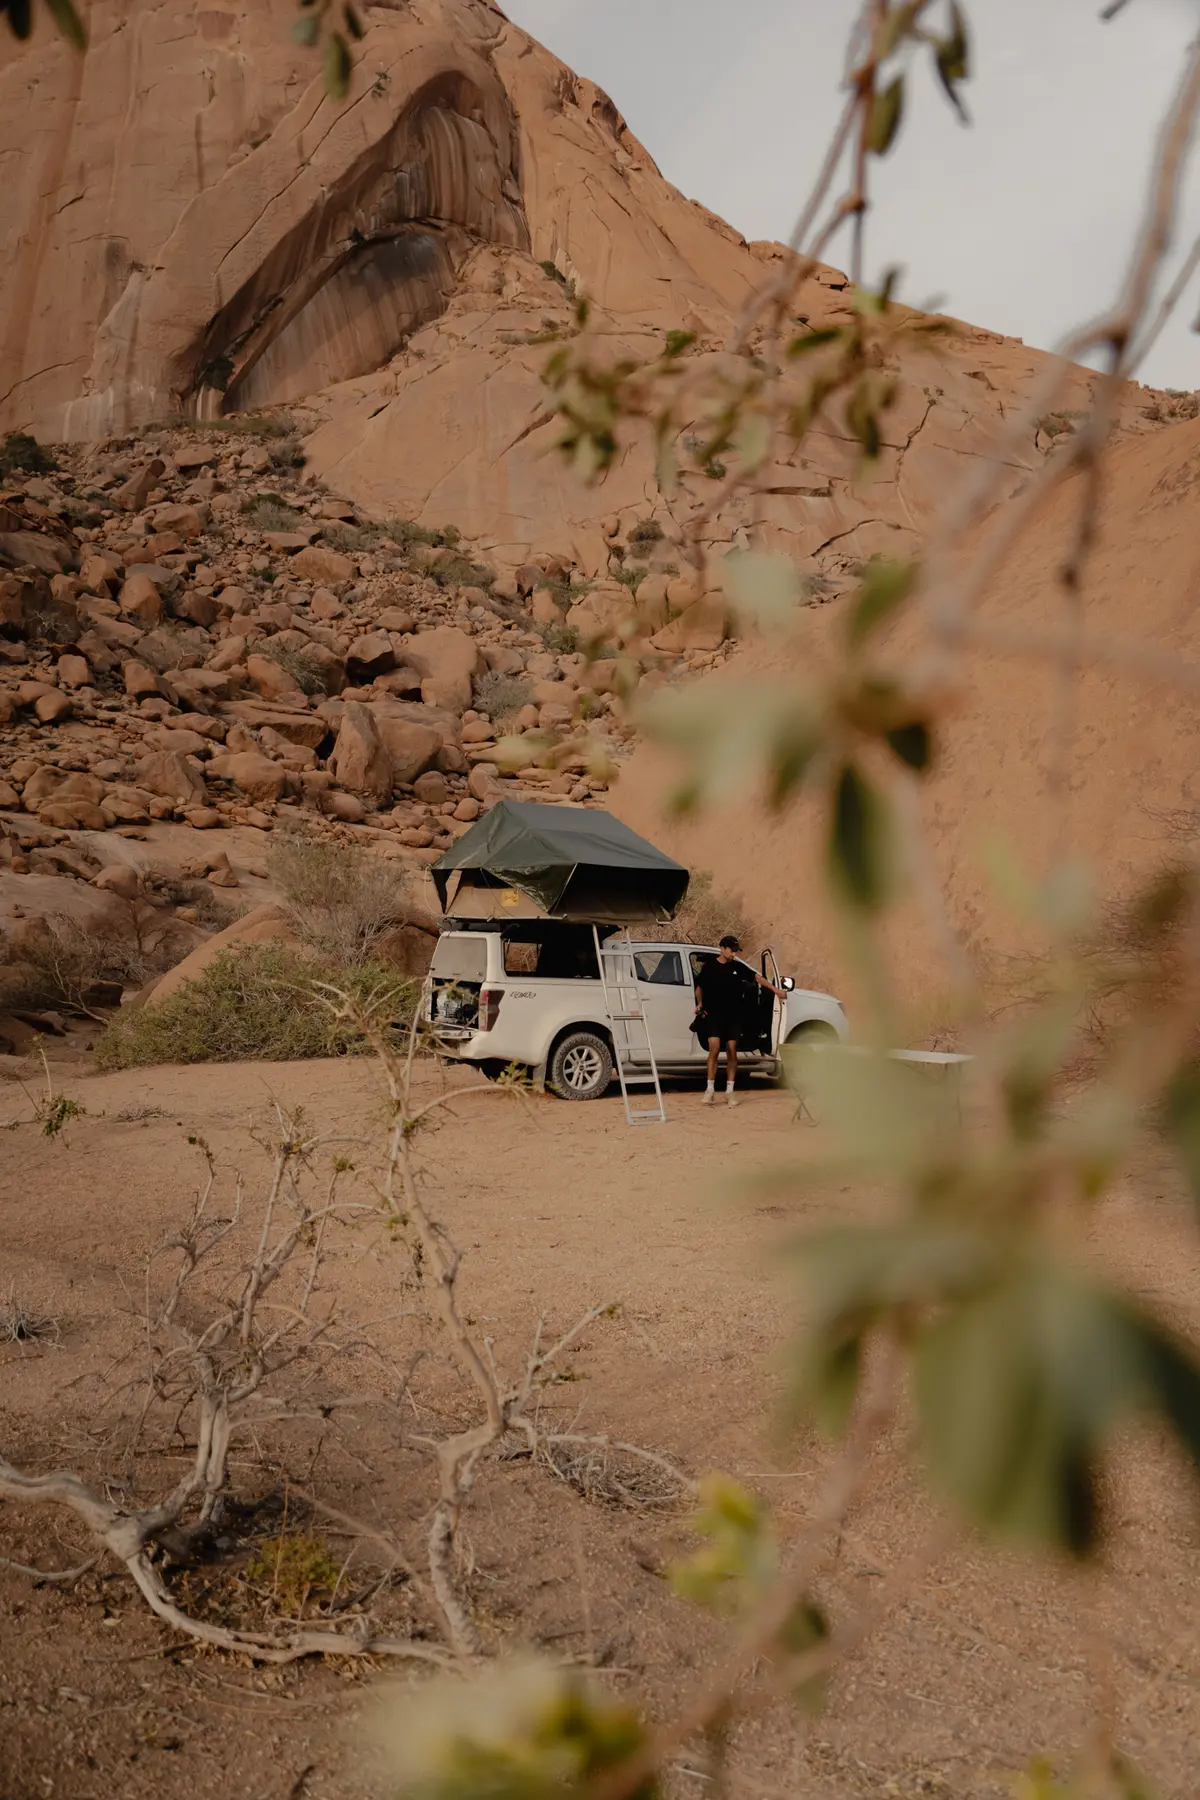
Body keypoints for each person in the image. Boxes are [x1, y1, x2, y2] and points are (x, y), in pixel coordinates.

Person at [693, 935, 786, 1107]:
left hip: (733, 1016)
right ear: (722, 948)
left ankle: (729, 1091)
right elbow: (699, 987)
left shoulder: (736, 967)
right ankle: (710, 1090)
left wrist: (775, 989)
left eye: (736, 951)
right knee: (713, 1049)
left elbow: (757, 978)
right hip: (713, 1015)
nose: (734, 954)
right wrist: (699, 1003)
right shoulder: (709, 967)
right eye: (732, 950)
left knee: (732, 1050)